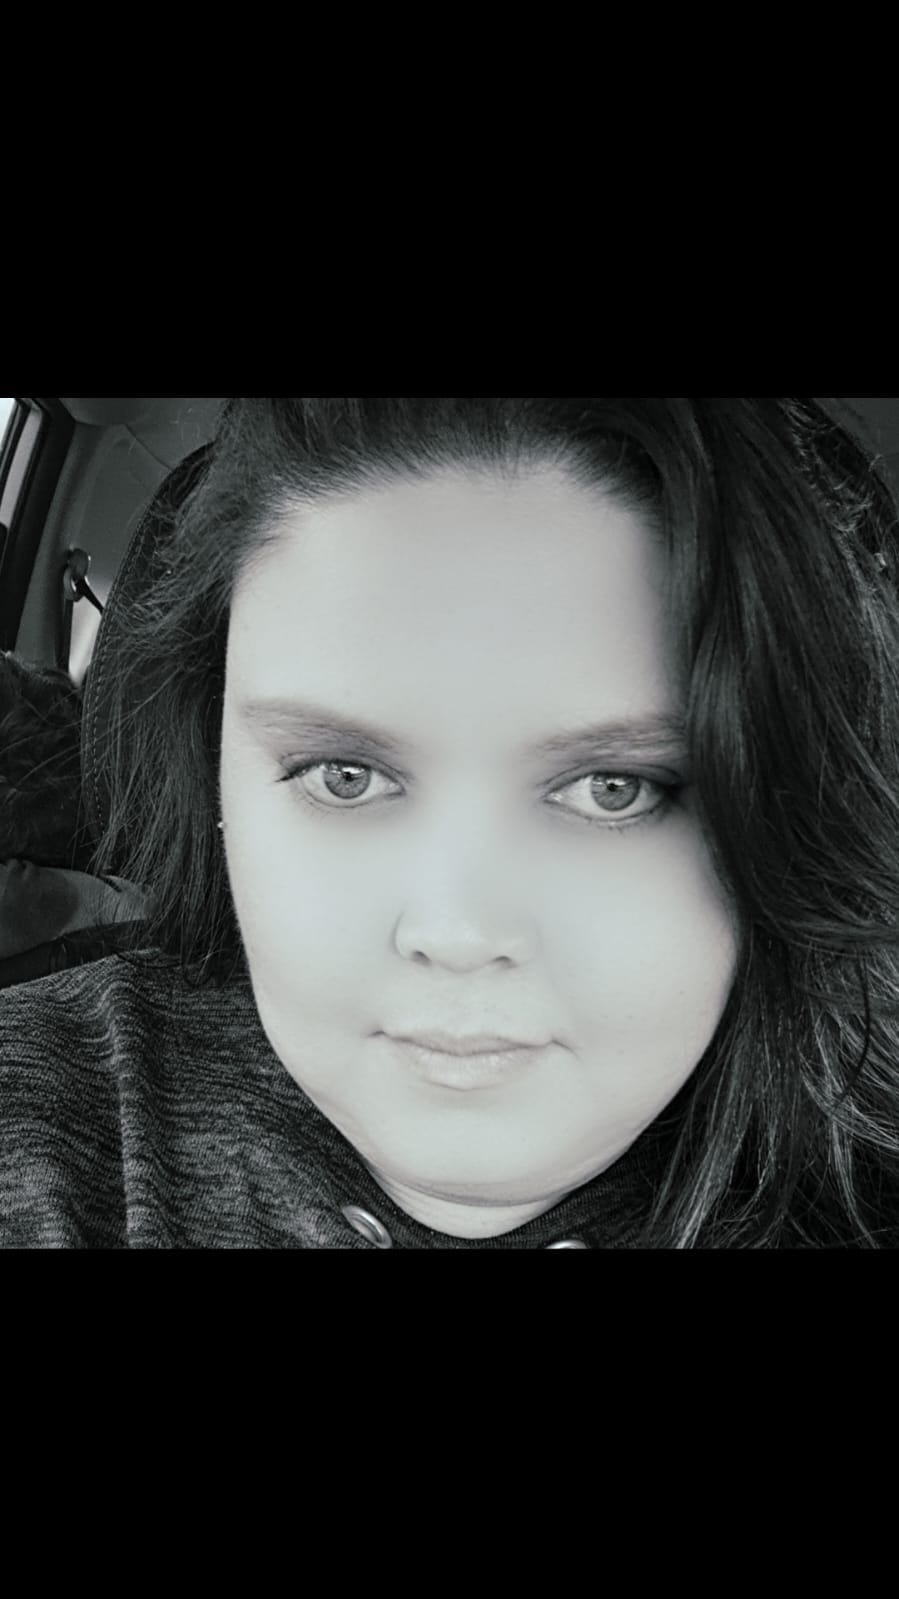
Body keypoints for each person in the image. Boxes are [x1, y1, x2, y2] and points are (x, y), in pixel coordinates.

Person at [1, 397, 898, 1249]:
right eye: (344, 776)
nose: (458, 932)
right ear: (218, 782)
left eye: (612, 787)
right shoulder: (42, 1112)